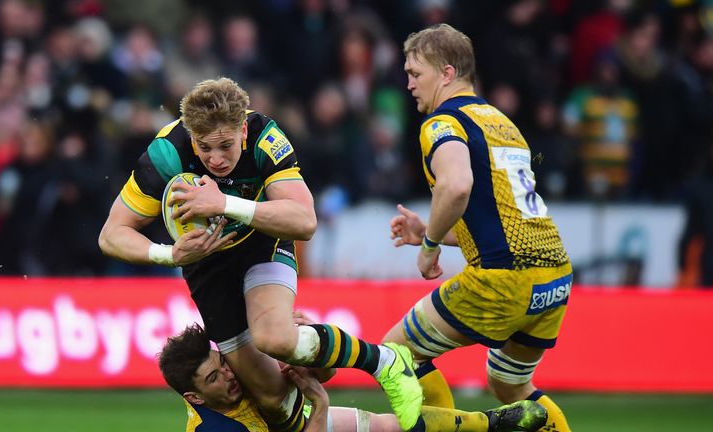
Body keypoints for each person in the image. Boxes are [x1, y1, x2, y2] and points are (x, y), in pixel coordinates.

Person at [98, 77, 421, 431]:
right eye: (205, 148)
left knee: (275, 339)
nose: (216, 159)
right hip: (203, 265)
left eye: (225, 146)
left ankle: (384, 361)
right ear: (191, 136)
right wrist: (169, 255)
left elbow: (305, 220)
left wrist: (225, 203)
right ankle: (395, 423)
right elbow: (112, 235)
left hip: (260, 241)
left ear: (242, 132)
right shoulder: (167, 153)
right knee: (272, 398)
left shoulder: (266, 138)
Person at [385, 24, 573, 432]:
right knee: (509, 384)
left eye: (416, 73)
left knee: (395, 354)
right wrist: (427, 229)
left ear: (447, 73)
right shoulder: (500, 122)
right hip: (554, 277)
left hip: (504, 279)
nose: (409, 83)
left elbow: (456, 186)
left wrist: (430, 246)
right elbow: (498, 215)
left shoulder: (442, 122)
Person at [157, 321, 548, 432]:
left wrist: (305, 348)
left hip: (296, 422)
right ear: (195, 398)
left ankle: (491, 423)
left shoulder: (245, 360)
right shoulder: (216, 430)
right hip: (303, 423)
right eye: (213, 378)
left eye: (221, 363)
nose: (228, 375)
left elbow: (323, 373)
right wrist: (320, 404)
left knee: (391, 427)